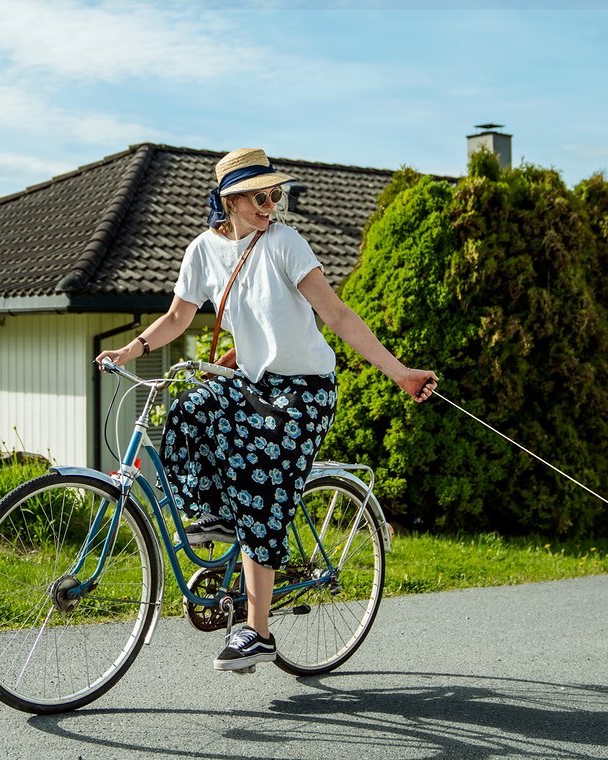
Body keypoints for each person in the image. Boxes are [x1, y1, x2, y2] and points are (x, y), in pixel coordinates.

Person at [96, 147, 438, 671]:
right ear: (229, 199)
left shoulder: (285, 243)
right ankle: (216, 514)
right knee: (190, 410)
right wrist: (130, 350)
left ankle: (256, 632)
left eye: (275, 194)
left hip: (305, 392)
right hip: (256, 384)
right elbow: (175, 318)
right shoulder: (202, 252)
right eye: (261, 195)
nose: (271, 204)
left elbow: (339, 316)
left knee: (259, 479)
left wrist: (400, 373)